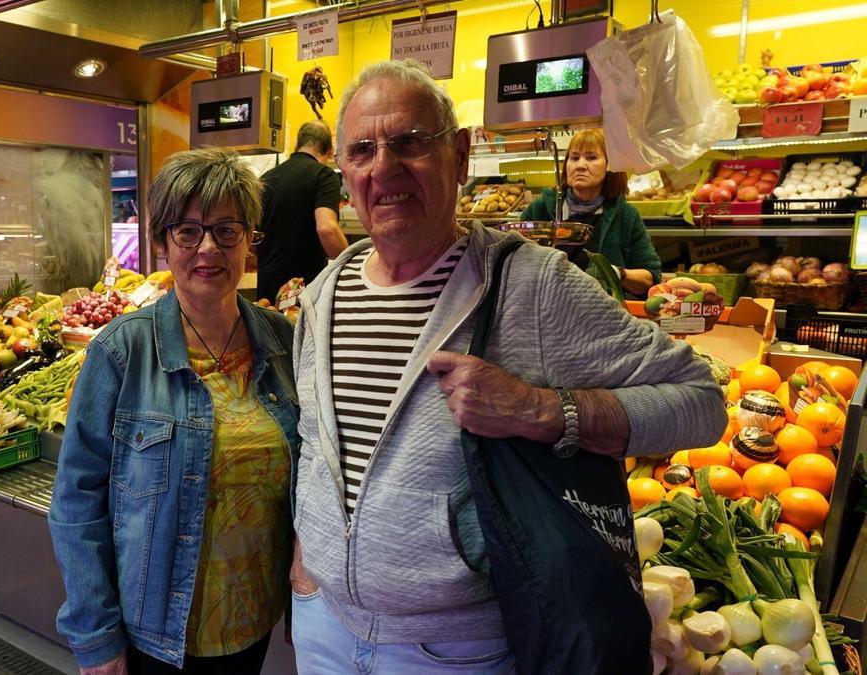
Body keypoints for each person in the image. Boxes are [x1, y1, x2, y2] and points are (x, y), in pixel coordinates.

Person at [287, 59, 727, 673]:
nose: (384, 167)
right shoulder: (323, 294)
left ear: (459, 156)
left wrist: (541, 410)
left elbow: (701, 400)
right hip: (323, 628)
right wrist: (309, 560)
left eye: (410, 143)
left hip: (454, 650)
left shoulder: (532, 285)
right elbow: (317, 443)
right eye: (361, 151)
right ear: (344, 171)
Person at [49, 146, 300, 675]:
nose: (208, 247)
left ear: (249, 239)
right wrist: (96, 635)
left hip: (252, 623)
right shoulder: (121, 351)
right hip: (156, 635)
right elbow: (77, 499)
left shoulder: (283, 342)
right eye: (187, 231)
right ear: (164, 242)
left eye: (226, 230)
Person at [519, 128, 661, 296]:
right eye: (574, 158)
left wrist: (617, 273)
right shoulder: (540, 208)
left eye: (591, 157)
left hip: (603, 313)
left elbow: (650, 278)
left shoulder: (625, 215)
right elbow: (516, 264)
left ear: (610, 165)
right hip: (545, 308)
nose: (580, 165)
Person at [255, 120, 347, 303]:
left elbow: (254, 236)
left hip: (266, 290)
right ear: (329, 151)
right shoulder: (324, 175)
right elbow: (327, 228)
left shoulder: (266, 178)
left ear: (298, 145)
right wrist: (351, 266)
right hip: (304, 292)